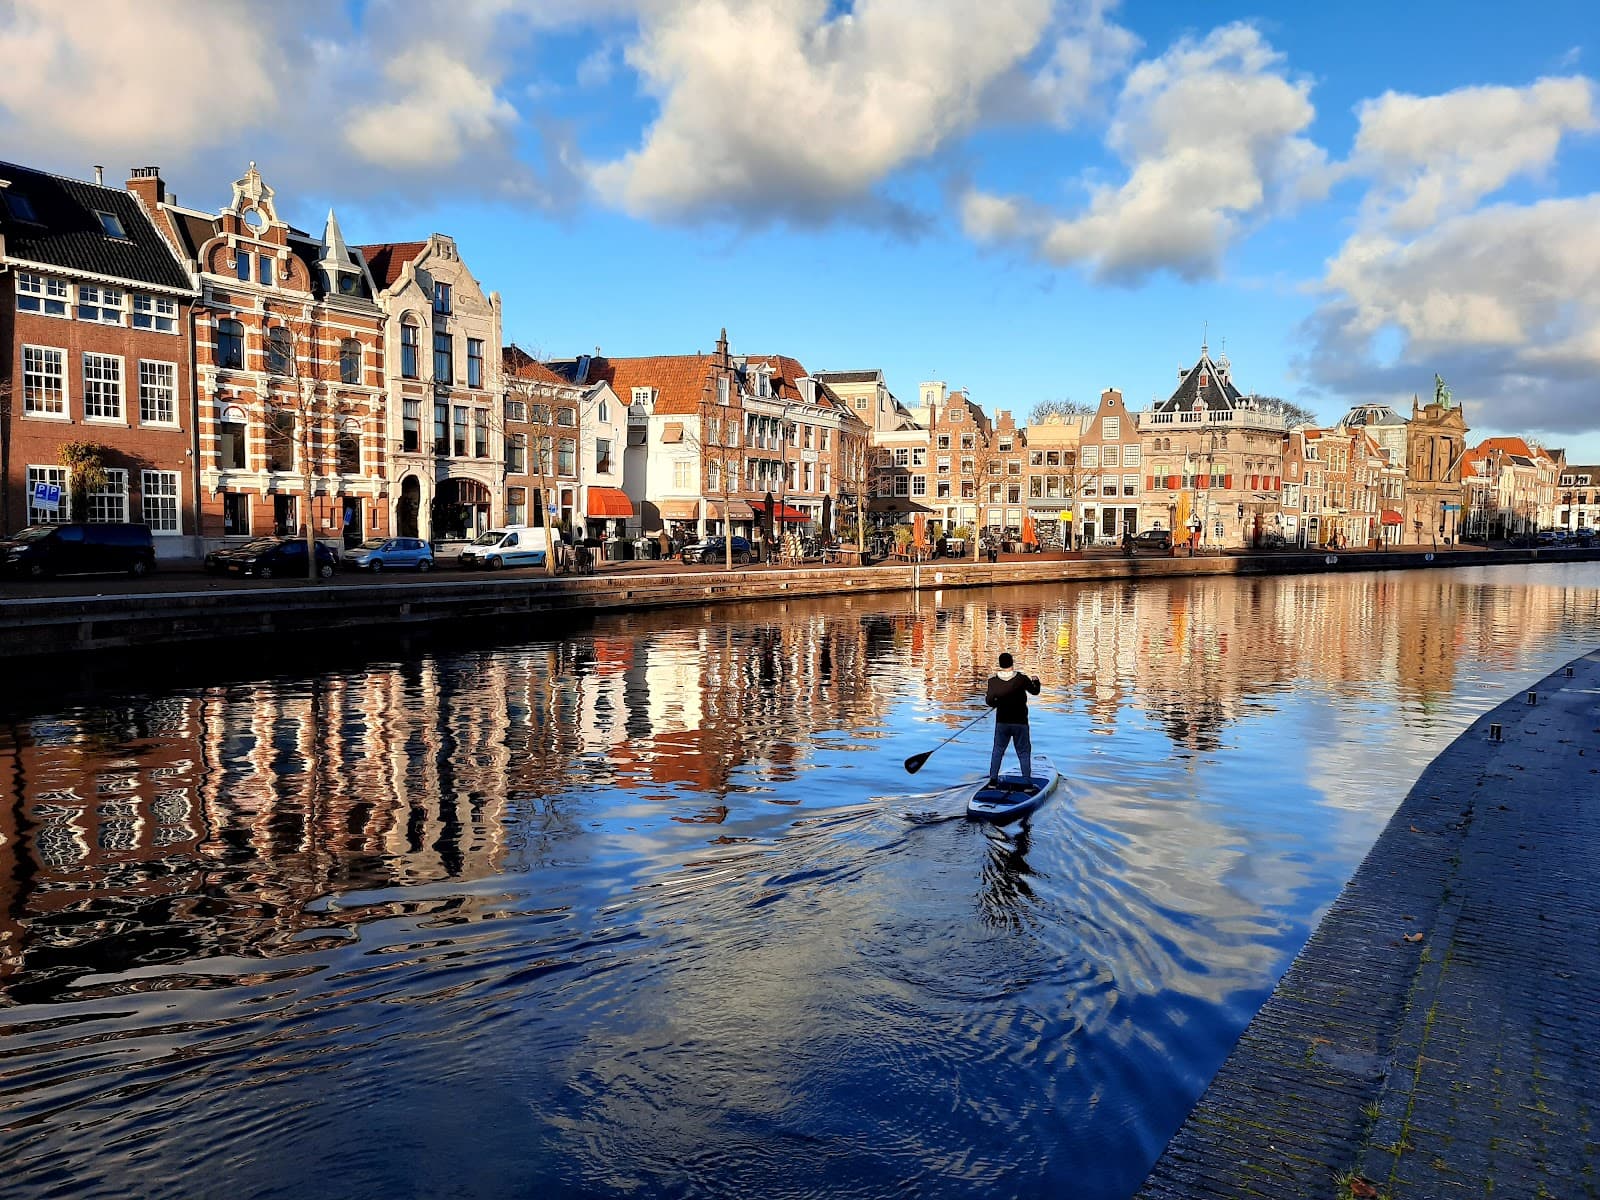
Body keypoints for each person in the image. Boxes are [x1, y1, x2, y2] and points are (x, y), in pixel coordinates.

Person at [986, 652, 1041, 785]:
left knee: (998, 750)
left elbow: (989, 701)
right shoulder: (1021, 679)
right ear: (1012, 663)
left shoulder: (993, 681)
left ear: (1000, 664)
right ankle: (1027, 783)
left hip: (1002, 722)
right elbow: (1035, 691)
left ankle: (993, 780)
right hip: (1020, 722)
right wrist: (1036, 681)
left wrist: (998, 703)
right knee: (1023, 752)